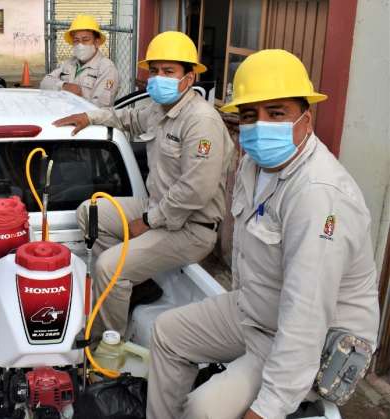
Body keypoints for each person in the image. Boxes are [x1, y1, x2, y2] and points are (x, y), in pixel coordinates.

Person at [146, 49, 380, 419]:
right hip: (254, 310)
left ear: (306, 118)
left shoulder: (318, 194)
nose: (259, 126)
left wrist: (267, 409)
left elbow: (305, 319)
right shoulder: (255, 164)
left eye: (276, 113)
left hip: (305, 340)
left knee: (205, 409)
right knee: (167, 333)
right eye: (250, 115)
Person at [53, 31, 232, 337]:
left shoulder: (201, 121)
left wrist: (149, 221)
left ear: (188, 78)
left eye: (168, 72)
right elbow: (129, 119)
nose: (158, 77)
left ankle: (107, 342)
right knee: (90, 212)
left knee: (109, 267)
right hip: (157, 209)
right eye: (155, 71)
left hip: (191, 228)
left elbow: (195, 190)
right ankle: (132, 285)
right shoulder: (159, 109)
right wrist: (89, 117)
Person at [40, 14, 119, 107]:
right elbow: (45, 83)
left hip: (86, 120)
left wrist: (79, 97)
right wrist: (64, 86)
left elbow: (100, 107)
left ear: (97, 42)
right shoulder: (69, 63)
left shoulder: (107, 68)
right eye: (76, 40)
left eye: (85, 40)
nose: (80, 44)